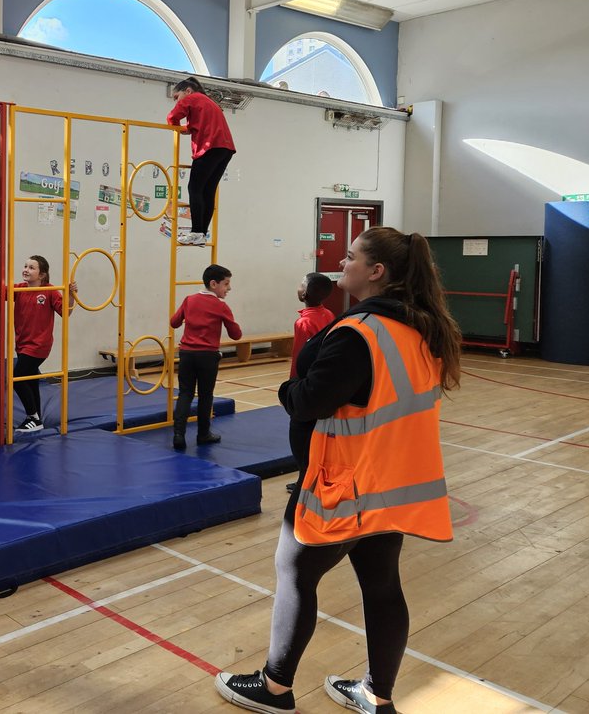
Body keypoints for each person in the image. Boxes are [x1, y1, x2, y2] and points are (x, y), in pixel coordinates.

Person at [215, 227, 461, 714]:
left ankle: (275, 686)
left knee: (295, 573)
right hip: (390, 482)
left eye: (349, 257)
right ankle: (377, 694)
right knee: (383, 584)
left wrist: (286, 391)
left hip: (343, 482)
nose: (340, 264)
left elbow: (309, 400)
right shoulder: (421, 329)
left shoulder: (360, 333)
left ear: (376, 272)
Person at [170, 264, 242, 450]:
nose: (229, 288)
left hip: (186, 353)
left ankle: (179, 434)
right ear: (213, 284)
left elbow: (174, 322)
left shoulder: (189, 300)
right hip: (207, 356)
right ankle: (203, 434)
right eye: (226, 284)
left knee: (185, 393)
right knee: (205, 396)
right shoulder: (220, 306)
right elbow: (236, 334)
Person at [166, 77, 235, 247]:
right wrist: (190, 128)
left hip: (209, 147)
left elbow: (172, 117)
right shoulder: (210, 103)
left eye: (177, 96)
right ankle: (202, 233)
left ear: (188, 91)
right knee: (208, 191)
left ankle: (196, 231)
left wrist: (178, 128)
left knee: (194, 188)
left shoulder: (192, 98)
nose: (177, 100)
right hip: (226, 149)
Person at [12, 255, 76, 434]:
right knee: (30, 379)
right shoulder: (20, 289)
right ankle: (36, 416)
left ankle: (33, 417)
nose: (26, 270)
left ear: (42, 275)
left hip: (39, 346)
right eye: (25, 266)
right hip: (22, 344)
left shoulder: (50, 290)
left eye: (32, 268)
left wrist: (70, 295)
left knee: (17, 378)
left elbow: (66, 311)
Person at [285, 272, 336, 494]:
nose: (298, 286)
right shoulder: (329, 314)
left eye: (301, 283)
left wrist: (293, 386)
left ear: (305, 293)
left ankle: (304, 479)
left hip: (306, 383)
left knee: (300, 434)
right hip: (324, 381)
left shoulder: (304, 322)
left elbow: (299, 357)